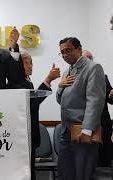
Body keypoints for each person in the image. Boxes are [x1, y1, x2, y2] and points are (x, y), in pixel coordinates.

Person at [56, 37, 106, 180]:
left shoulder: (93, 68)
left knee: (82, 174)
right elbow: (61, 100)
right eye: (62, 52)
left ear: (79, 49)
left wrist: (87, 130)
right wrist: (60, 86)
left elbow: (95, 100)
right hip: (66, 130)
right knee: (65, 173)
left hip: (82, 131)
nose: (65, 55)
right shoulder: (66, 72)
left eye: (68, 50)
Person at [20, 51, 60, 180]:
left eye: (31, 62)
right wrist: (48, 79)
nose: (30, 66)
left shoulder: (27, 80)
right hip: (23, 138)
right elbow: (32, 105)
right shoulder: (17, 83)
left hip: (30, 137)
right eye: (26, 62)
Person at [82, 50, 113, 167]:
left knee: (105, 158)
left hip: (104, 124)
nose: (89, 60)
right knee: (88, 159)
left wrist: (111, 95)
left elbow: (110, 100)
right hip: (84, 124)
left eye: (90, 58)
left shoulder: (103, 77)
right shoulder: (75, 78)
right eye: (86, 58)